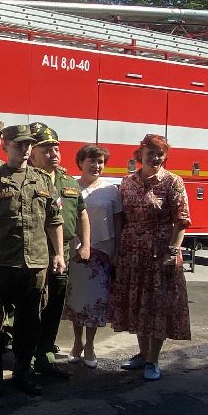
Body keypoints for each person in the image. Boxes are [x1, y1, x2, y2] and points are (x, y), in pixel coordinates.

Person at [0, 125, 63, 396]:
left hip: (35, 264)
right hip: (0, 265)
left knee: (29, 322)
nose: (24, 149)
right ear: (6, 146)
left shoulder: (44, 180)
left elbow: (54, 221)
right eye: (19, 144)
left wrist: (58, 254)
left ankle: (23, 373)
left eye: (28, 145)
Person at [111, 134, 192, 381]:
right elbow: (120, 218)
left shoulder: (172, 182)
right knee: (138, 303)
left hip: (160, 251)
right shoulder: (127, 183)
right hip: (133, 251)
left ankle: (153, 360)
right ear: (140, 154)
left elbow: (182, 221)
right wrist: (117, 250)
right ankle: (142, 353)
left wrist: (172, 252)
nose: (155, 158)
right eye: (151, 153)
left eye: (160, 153)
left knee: (157, 305)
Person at [27, 122, 90, 382]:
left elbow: (82, 212)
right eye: (46, 149)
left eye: (56, 149)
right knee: (31, 308)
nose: (53, 154)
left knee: (54, 308)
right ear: (32, 154)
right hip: (35, 254)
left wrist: (85, 245)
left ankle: (45, 355)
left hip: (62, 255)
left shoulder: (67, 180)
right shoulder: (28, 179)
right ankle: (27, 358)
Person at [65, 144, 121, 366]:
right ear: (80, 163)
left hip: (101, 254)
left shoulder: (111, 190)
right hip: (76, 252)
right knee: (76, 301)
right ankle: (77, 342)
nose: (96, 166)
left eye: (100, 162)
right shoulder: (70, 186)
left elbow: (118, 222)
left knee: (95, 303)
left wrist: (117, 250)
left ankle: (90, 345)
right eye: (92, 161)